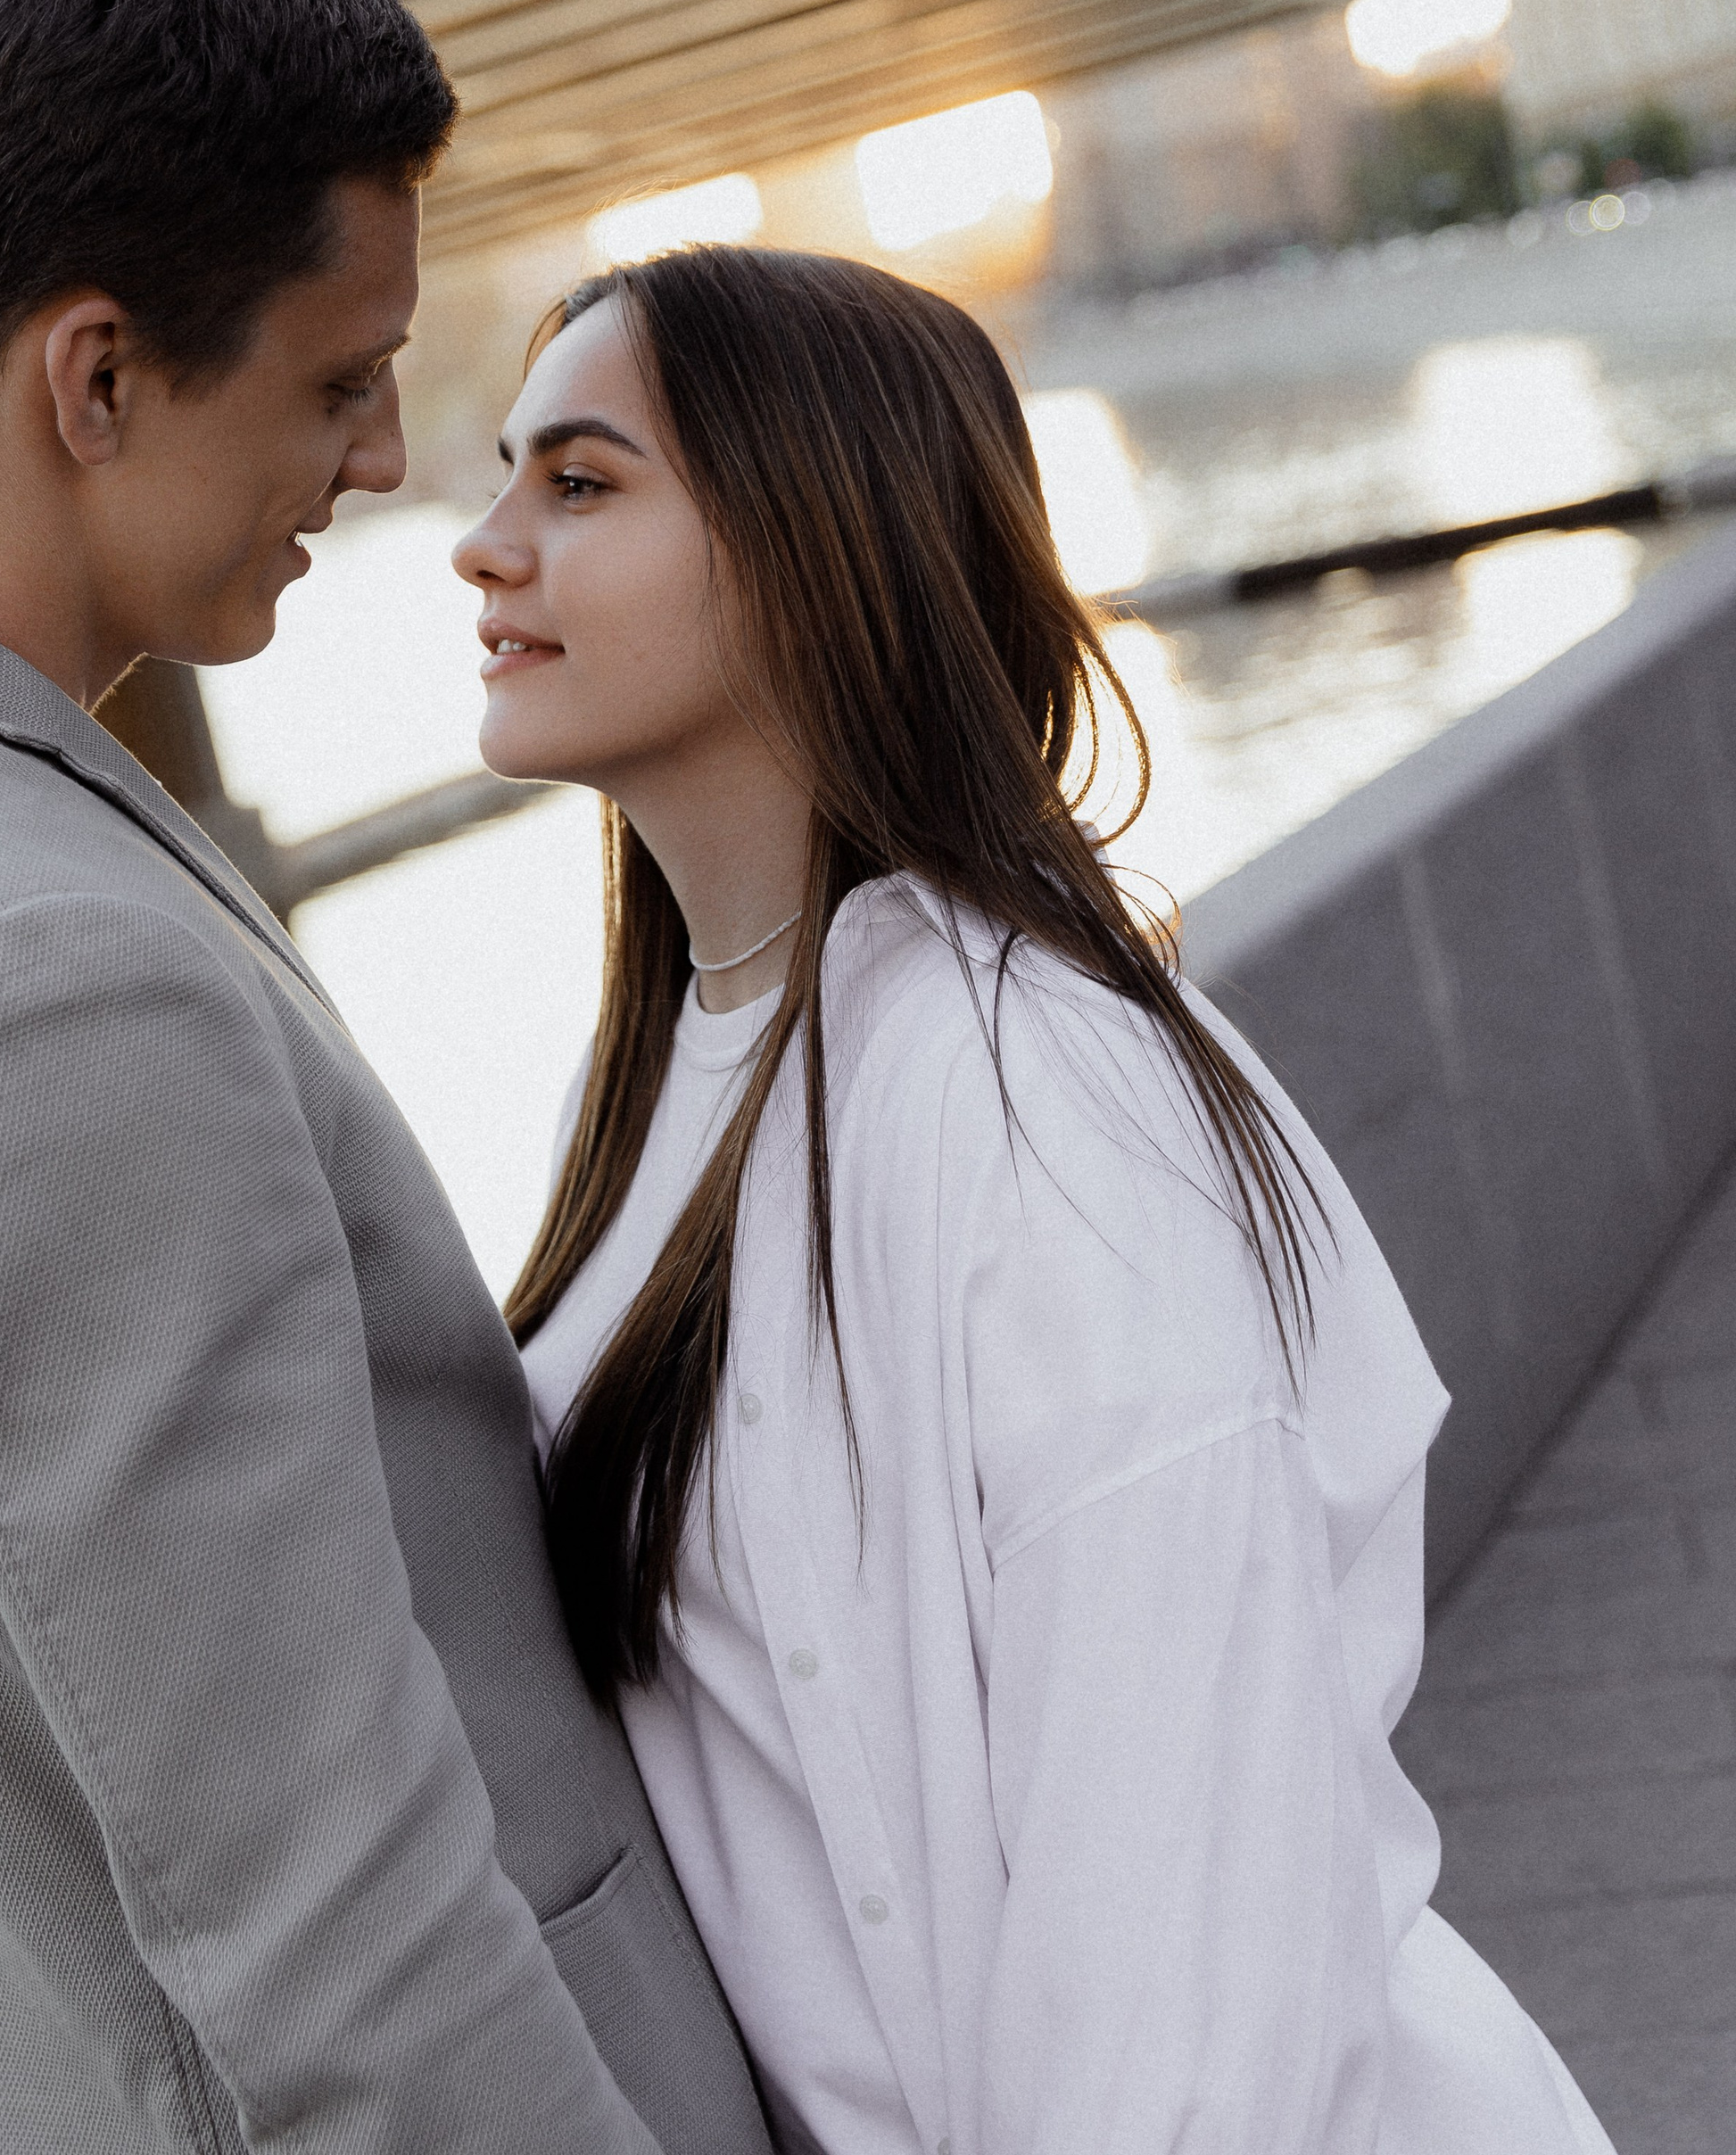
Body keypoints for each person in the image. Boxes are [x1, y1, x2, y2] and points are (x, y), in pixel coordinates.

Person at [0, 0, 772, 2155]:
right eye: (339, 382)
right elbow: (351, 1945)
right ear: (99, 376)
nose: (378, 464)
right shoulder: (35, 978)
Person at [452, 242, 1616, 2155]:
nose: (483, 544)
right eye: (504, 474)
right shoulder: (661, 1074)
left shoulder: (1028, 1087)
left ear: (816, 539)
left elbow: (1181, 1934)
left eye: (577, 483)